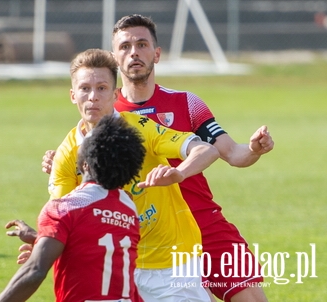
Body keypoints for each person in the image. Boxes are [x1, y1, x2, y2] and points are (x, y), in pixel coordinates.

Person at [42, 15, 274, 302]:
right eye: (125, 47)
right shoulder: (103, 110)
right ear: (115, 58)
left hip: (202, 219)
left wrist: (253, 149)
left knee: (251, 298)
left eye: (142, 44)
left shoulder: (186, 103)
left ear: (157, 53)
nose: (134, 53)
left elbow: (230, 152)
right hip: (142, 233)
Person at [12, 48, 218, 302]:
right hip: (118, 269)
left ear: (115, 93)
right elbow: (64, 220)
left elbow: (206, 150)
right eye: (85, 88)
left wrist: (178, 173)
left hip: (172, 263)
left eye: (101, 88)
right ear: (72, 95)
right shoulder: (67, 153)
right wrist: (40, 245)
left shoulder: (142, 128)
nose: (93, 97)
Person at [0, 114, 146, 302]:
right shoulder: (128, 209)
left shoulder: (64, 207)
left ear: (85, 163)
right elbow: (94, 248)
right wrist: (40, 238)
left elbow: (34, 271)